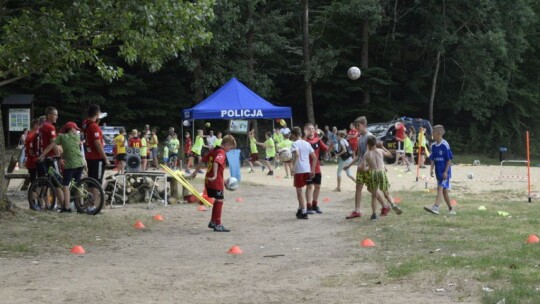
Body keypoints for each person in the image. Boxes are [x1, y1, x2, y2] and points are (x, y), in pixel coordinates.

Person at [344, 116, 388, 219]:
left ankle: (385, 206)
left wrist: (382, 166)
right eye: (355, 126)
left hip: (368, 168)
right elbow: (359, 155)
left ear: (364, 125)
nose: (356, 128)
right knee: (358, 187)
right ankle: (357, 211)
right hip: (360, 167)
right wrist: (349, 165)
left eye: (358, 126)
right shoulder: (360, 138)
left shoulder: (370, 136)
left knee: (371, 188)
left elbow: (376, 153)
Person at [191, 135, 237, 232]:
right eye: (230, 148)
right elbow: (216, 162)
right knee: (220, 200)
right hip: (215, 181)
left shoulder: (214, 150)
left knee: (217, 200)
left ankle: (213, 222)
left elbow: (202, 160)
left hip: (209, 180)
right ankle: (218, 224)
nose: (229, 150)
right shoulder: (221, 152)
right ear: (227, 145)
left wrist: (195, 172)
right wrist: (216, 175)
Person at [38, 122, 86, 213]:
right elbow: (70, 149)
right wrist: (62, 156)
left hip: (71, 164)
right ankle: (80, 206)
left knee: (66, 185)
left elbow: (50, 147)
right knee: (76, 184)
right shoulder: (77, 137)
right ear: (71, 129)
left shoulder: (62, 137)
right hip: (80, 163)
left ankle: (66, 207)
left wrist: (41, 156)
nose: (77, 131)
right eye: (76, 129)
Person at [363, 135, 402, 221]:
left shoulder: (367, 154)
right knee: (386, 193)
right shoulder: (380, 151)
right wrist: (383, 147)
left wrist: (368, 168)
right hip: (381, 172)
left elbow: (363, 168)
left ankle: (374, 215)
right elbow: (389, 154)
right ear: (375, 143)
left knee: (374, 195)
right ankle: (393, 204)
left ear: (368, 144)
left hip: (373, 173)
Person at [424, 125, 455, 215]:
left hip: (445, 172)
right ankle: (451, 209)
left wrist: (445, 171)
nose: (432, 134)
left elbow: (449, 159)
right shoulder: (433, 145)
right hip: (438, 172)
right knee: (444, 191)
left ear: (439, 133)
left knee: (440, 188)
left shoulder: (445, 145)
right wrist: (431, 169)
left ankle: (436, 207)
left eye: (433, 132)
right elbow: (432, 158)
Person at [38, 107, 64, 208]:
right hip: (52, 157)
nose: (57, 117)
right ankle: (64, 205)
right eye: (55, 114)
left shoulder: (42, 126)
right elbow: (52, 145)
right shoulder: (50, 127)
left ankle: (55, 204)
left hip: (46, 157)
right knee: (57, 182)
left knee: (52, 182)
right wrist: (59, 156)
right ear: (49, 115)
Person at [290, 127, 317, 219]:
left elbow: (296, 154)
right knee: (305, 189)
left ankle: (304, 212)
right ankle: (300, 209)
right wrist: (313, 170)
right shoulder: (307, 143)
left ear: (294, 135)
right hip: (307, 169)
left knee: (299, 191)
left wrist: (293, 167)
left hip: (299, 170)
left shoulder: (294, 144)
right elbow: (314, 158)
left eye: (291, 135)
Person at [82, 104, 110, 189]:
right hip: (97, 157)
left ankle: (91, 201)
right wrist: (105, 158)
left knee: (91, 182)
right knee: (97, 184)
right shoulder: (94, 127)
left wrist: (97, 121)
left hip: (89, 156)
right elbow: (97, 143)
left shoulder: (85, 123)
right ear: (97, 113)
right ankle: (97, 202)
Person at [304, 123, 328, 213]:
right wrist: (304, 136)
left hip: (317, 167)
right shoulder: (304, 140)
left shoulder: (318, 140)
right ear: (305, 130)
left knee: (317, 187)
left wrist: (332, 146)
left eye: (312, 129)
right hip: (307, 168)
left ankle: (314, 205)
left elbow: (326, 149)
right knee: (309, 186)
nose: (311, 130)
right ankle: (308, 206)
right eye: (308, 129)